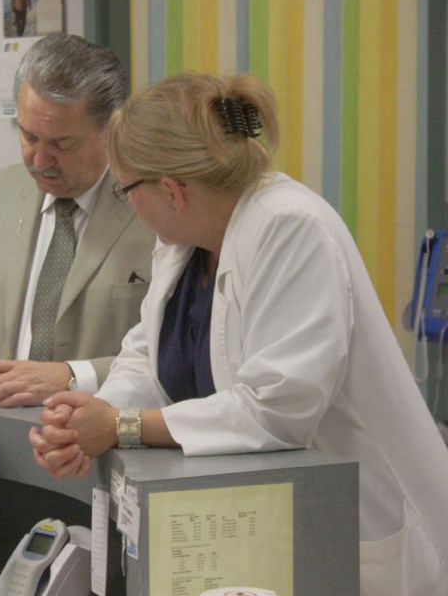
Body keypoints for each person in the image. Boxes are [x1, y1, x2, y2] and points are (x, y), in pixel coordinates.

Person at [30, 73, 448, 595]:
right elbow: (147, 357)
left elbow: (276, 410)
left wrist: (122, 426)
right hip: (269, 523)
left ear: (173, 191)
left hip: (365, 522)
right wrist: (84, 423)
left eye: (125, 188)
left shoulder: (290, 227)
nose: (126, 203)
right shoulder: (183, 242)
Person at [0, 35, 155, 406]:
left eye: (62, 144)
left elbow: (178, 357)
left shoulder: (157, 212)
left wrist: (73, 377)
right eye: (28, 136)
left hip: (103, 450)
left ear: (111, 129)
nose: (39, 160)